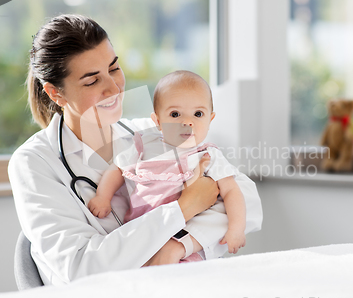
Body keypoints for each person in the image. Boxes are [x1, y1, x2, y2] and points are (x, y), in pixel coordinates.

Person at [8, 14, 262, 286]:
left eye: (114, 68)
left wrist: (178, 246)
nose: (113, 87)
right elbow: (81, 267)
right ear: (56, 93)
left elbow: (245, 198)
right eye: (92, 81)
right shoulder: (34, 161)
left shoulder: (153, 132)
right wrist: (183, 207)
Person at [88, 70, 247, 256]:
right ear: (157, 121)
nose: (187, 122)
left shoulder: (207, 156)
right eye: (175, 114)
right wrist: (103, 197)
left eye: (198, 113)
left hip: (181, 241)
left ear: (210, 119)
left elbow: (232, 191)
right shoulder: (145, 145)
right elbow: (116, 169)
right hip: (138, 236)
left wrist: (236, 229)